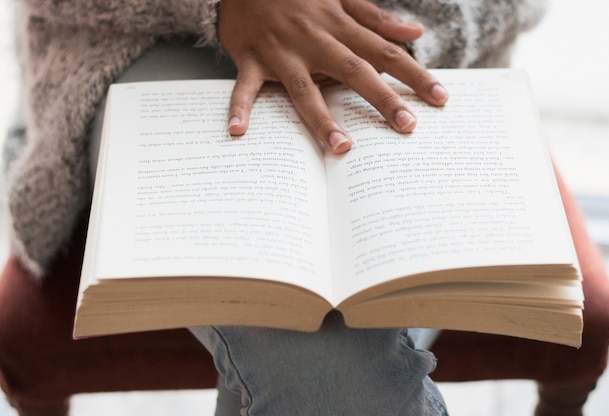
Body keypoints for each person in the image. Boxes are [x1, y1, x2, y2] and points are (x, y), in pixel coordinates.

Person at [8, 0, 546, 414]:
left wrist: (370, 38)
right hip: (151, 45)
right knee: (332, 373)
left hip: (398, 59)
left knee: (332, 368)